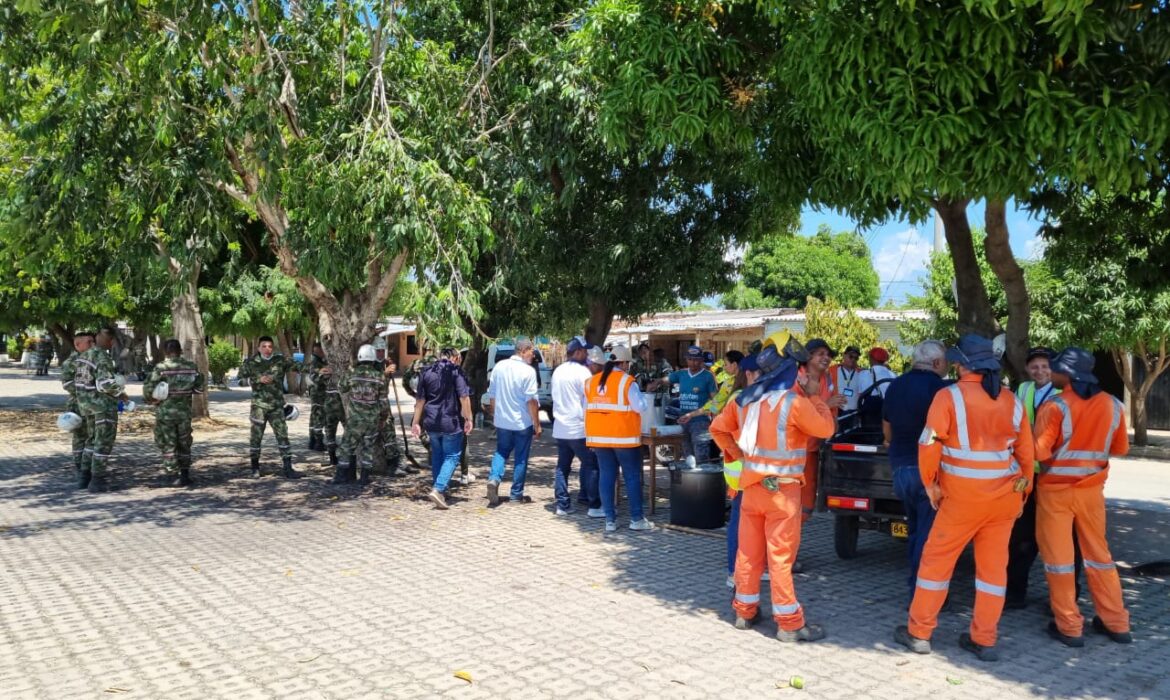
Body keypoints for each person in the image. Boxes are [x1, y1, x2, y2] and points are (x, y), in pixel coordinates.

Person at [895, 334, 1034, 663]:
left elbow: (928, 443)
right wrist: (1023, 493)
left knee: (935, 564)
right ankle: (984, 639)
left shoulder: (949, 397)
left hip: (961, 500)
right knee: (992, 571)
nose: (955, 366)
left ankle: (920, 632)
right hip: (1003, 502)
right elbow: (1027, 453)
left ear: (965, 366)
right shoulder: (1012, 401)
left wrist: (931, 485)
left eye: (958, 362)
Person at [711, 338, 836, 642]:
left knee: (749, 554)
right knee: (780, 558)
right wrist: (815, 396)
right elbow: (826, 429)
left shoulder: (744, 402)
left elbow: (717, 428)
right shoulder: (795, 403)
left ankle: (744, 611)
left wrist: (737, 455)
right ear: (791, 373)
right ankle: (789, 624)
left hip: (752, 490)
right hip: (783, 493)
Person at [1034, 348, 1132, 647]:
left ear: (1069, 374)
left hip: (1055, 493)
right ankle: (1116, 622)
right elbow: (1120, 449)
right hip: (1091, 493)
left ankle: (1069, 626)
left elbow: (1039, 452)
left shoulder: (1055, 406)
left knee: (1060, 561)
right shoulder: (1114, 406)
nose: (1052, 373)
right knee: (1100, 558)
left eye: (1057, 369)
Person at [882, 340, 951, 603]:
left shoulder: (895, 385)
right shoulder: (943, 390)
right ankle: (924, 597)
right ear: (936, 363)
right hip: (929, 474)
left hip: (901, 472)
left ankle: (916, 588)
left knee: (915, 532)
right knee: (931, 538)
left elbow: (886, 429)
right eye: (944, 361)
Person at [1006, 346, 1074, 609]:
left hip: (1055, 477)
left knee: (1062, 541)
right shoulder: (1023, 390)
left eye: (1045, 366)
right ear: (1027, 369)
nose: (1040, 370)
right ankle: (1014, 594)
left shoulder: (1064, 394)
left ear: (1053, 368)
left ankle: (1064, 602)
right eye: (1034, 366)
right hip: (1026, 475)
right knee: (1020, 537)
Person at [584, 345, 654, 532]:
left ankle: (609, 520)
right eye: (628, 364)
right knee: (631, 477)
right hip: (624, 438)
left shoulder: (591, 382)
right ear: (623, 363)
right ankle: (636, 519)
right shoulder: (627, 381)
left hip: (599, 439)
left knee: (606, 476)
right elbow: (639, 407)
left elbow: (587, 408)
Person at [711, 353, 759, 587]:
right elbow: (719, 430)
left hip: (749, 470)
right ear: (748, 374)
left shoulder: (751, 397)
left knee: (749, 523)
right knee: (739, 522)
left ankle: (748, 569)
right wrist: (739, 454)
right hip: (741, 472)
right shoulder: (740, 399)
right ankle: (733, 571)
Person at [796, 339, 846, 539]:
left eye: (828, 354)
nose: (826, 358)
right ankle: (783, 556)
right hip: (795, 451)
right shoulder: (797, 378)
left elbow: (829, 413)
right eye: (821, 354)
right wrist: (825, 402)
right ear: (808, 357)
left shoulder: (828, 378)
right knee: (790, 507)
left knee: (807, 507)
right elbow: (795, 413)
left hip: (816, 449)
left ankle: (787, 552)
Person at [411, 347, 473, 509]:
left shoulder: (426, 372)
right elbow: (464, 397)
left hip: (431, 422)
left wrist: (415, 422)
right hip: (450, 421)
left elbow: (420, 402)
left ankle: (440, 487)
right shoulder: (456, 371)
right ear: (453, 357)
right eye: (458, 357)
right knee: (452, 455)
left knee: (438, 454)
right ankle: (438, 489)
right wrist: (468, 418)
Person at [485, 337, 542, 505]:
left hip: (502, 421)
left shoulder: (499, 367)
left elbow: (492, 395)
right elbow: (531, 401)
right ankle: (516, 494)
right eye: (531, 351)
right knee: (521, 457)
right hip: (521, 422)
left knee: (501, 451)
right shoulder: (528, 371)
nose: (533, 355)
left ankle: (494, 478)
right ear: (523, 351)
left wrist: (496, 415)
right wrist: (537, 424)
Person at [551, 336, 602, 517]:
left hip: (560, 428)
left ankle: (562, 505)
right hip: (579, 428)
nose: (587, 355)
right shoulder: (584, 373)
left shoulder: (557, 371)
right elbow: (590, 402)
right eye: (585, 351)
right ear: (578, 352)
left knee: (562, 467)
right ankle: (594, 505)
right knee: (592, 465)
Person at [143, 339, 205, 487]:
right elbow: (199, 389)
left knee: (168, 442)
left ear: (165, 351)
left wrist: (152, 400)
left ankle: (172, 475)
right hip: (184, 413)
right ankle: (185, 474)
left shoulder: (160, 368)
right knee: (184, 442)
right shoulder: (191, 367)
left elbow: (148, 390)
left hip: (165, 414)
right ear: (180, 351)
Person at [74, 326, 129, 492]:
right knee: (103, 443)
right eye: (112, 340)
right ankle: (97, 481)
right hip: (102, 406)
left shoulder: (83, 357)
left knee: (90, 440)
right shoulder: (101, 356)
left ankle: (84, 478)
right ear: (110, 341)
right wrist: (121, 394)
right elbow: (105, 384)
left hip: (86, 405)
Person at [238, 336, 302, 479]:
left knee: (283, 436)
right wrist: (256, 379)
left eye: (270, 346)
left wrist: (319, 369)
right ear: (258, 348)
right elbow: (240, 381)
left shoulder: (279, 361)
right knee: (256, 438)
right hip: (258, 406)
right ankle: (255, 468)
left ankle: (288, 467)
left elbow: (298, 366)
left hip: (277, 406)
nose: (267, 349)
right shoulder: (251, 362)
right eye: (264, 346)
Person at [336, 344, 386, 486]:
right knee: (368, 449)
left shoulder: (352, 373)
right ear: (373, 358)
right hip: (372, 420)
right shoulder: (379, 377)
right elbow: (383, 401)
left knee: (346, 447)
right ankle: (364, 478)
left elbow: (341, 387)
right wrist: (383, 417)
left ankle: (341, 476)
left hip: (354, 420)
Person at [661, 346, 719, 461]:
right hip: (683, 420)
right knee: (688, 456)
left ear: (701, 360)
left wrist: (715, 418)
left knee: (701, 454)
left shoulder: (708, 376)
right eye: (690, 359)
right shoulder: (681, 374)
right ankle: (690, 479)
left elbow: (716, 402)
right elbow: (666, 379)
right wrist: (656, 382)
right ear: (686, 359)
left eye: (697, 359)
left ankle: (703, 478)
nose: (693, 363)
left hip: (701, 422)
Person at [60, 332, 94, 479]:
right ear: (78, 344)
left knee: (93, 436)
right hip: (77, 404)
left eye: (94, 341)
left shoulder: (95, 359)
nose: (93, 345)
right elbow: (67, 384)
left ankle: (90, 464)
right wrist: (86, 391)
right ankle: (80, 466)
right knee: (80, 436)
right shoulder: (71, 362)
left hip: (94, 404)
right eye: (89, 342)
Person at [307, 343, 328, 452]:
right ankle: (318, 442)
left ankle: (312, 440)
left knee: (314, 417)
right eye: (321, 350)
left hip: (316, 393)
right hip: (318, 393)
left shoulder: (319, 361)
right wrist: (325, 376)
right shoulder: (316, 362)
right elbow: (315, 377)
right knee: (319, 416)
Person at [829, 346, 863, 412]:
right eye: (850, 356)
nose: (853, 359)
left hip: (854, 413)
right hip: (836, 411)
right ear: (844, 356)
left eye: (856, 358)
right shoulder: (832, 370)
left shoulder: (861, 373)